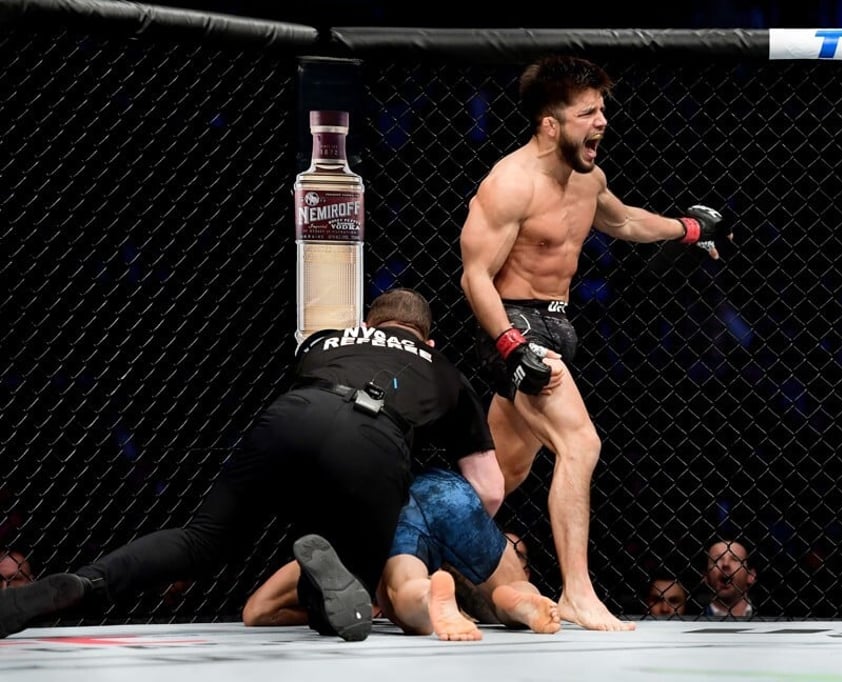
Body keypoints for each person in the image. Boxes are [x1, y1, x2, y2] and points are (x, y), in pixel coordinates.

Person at [0, 288, 505, 641]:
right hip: (374, 442)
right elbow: (488, 489)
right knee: (349, 605)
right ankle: (324, 582)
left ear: (364, 326)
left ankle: (80, 584)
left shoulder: (327, 341)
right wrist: (428, 527)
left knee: (202, 540)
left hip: (292, 417)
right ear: (428, 341)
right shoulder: (444, 370)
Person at [458, 54, 732, 631]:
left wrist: (687, 229)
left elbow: (624, 221)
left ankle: (415, 565)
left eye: (602, 109)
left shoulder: (589, 179)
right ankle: (578, 593)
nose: (602, 121)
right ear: (550, 123)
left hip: (558, 325)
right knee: (581, 444)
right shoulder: (510, 184)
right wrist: (510, 345)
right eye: (587, 112)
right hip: (515, 324)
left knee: (500, 477)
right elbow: (474, 277)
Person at [242, 467, 560, 640]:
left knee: (406, 589)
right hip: (447, 490)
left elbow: (257, 611)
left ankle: (427, 597)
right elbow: (490, 487)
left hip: (392, 504)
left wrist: (358, 611)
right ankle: (517, 597)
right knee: (508, 587)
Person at [702, 539, 757, 619]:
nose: (725, 564)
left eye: (735, 559)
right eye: (717, 560)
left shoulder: (771, 615)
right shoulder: (691, 618)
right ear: (706, 576)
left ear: (751, 575)